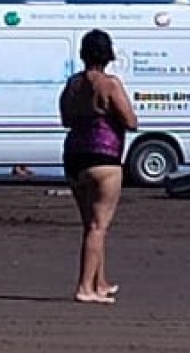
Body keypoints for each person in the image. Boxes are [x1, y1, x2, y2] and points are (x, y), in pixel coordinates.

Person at [59, 29, 138, 304]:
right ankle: (85, 288)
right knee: (98, 226)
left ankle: (99, 282)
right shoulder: (110, 84)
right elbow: (130, 121)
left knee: (91, 224)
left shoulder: (73, 84)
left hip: (74, 155)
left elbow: (66, 119)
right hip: (104, 157)